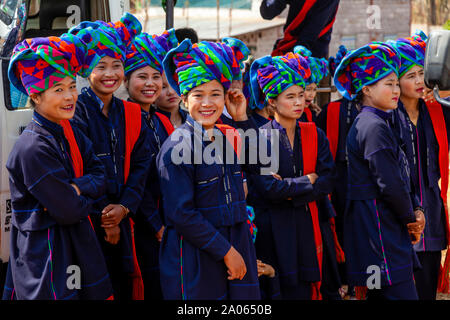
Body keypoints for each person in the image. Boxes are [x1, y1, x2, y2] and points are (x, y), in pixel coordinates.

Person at [3, 34, 113, 300]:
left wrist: (77, 187)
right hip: (47, 253)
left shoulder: (66, 132)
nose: (70, 96)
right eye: (58, 90)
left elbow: (103, 174)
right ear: (36, 96)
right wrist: (88, 198)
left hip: (71, 242)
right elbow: (68, 210)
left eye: (72, 86)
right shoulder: (33, 147)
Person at [158, 37, 261, 300]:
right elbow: (182, 215)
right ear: (184, 100)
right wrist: (227, 252)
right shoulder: (176, 148)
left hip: (235, 244)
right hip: (196, 257)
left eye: (215, 94)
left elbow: (261, 166)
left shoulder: (225, 136)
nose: (207, 103)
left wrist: (241, 118)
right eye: (198, 95)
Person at [68, 12, 152, 300]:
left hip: (126, 215)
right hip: (90, 218)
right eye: (100, 66)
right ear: (86, 71)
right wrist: (107, 216)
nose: (110, 74)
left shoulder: (130, 112)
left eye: (116, 65)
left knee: (125, 281)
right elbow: (82, 166)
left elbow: (142, 164)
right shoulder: (76, 111)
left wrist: (125, 207)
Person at [334, 42, 425, 300]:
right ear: (366, 88)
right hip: (378, 229)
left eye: (397, 83)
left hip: (380, 226)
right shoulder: (373, 126)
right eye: (388, 84)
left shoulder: (376, 121)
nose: (396, 90)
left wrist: (415, 209)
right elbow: (391, 184)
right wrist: (412, 218)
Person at [247, 52, 340, 300]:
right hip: (274, 227)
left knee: (308, 288)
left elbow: (329, 179)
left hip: (310, 223)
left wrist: (289, 190)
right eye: (290, 97)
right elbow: (268, 189)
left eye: (301, 95)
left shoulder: (315, 133)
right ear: (272, 103)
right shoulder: (258, 139)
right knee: (279, 287)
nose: (299, 102)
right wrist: (307, 180)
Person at [388, 32, 450, 300]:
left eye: (421, 74)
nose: (417, 81)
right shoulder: (387, 117)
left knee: (426, 287)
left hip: (433, 213)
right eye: (409, 75)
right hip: (399, 215)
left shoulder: (438, 111)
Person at [123, 28, 180, 300]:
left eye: (156, 77)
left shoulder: (161, 119)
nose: (151, 84)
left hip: (169, 220)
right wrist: (156, 224)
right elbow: (137, 179)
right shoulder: (126, 118)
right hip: (144, 224)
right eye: (142, 76)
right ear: (126, 80)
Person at [316, 45, 359, 298]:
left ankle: (360, 278)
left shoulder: (371, 106)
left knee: (359, 225)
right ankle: (343, 276)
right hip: (339, 176)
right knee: (340, 224)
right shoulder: (331, 110)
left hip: (362, 175)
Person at [260, 0, 340, 58]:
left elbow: (312, 30)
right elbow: (268, 13)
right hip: (287, 46)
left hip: (313, 54)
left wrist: (295, 59)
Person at [293, 45, 329, 122]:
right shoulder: (270, 127)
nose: (312, 94)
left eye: (314, 89)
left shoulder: (311, 113)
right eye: (308, 89)